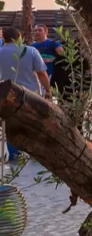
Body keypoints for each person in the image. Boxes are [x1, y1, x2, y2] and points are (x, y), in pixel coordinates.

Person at [0, 27, 51, 160]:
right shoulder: (31, 51)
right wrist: (48, 91)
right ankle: (35, 154)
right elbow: (41, 73)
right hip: (31, 94)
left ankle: (14, 155)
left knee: (12, 124)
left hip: (8, 94)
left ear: (4, 38)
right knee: (33, 123)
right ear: (19, 37)